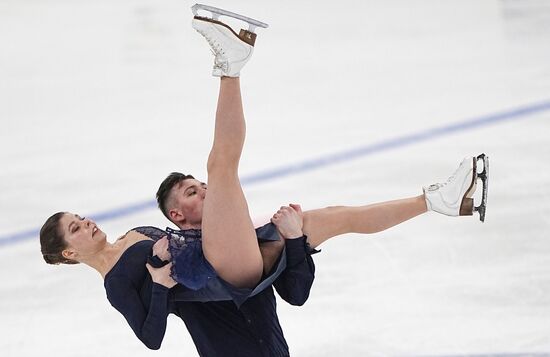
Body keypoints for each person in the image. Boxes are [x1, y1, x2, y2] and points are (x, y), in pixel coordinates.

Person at [39, 8, 489, 357]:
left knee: (335, 217)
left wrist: (275, 237)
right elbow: (150, 338)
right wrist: (158, 281)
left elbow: (282, 286)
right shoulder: (116, 283)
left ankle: (442, 202)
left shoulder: (129, 236)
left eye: (80, 217)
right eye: (76, 228)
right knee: (221, 166)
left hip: (229, 256)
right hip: (223, 271)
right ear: (70, 253)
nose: (87, 223)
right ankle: (230, 64)